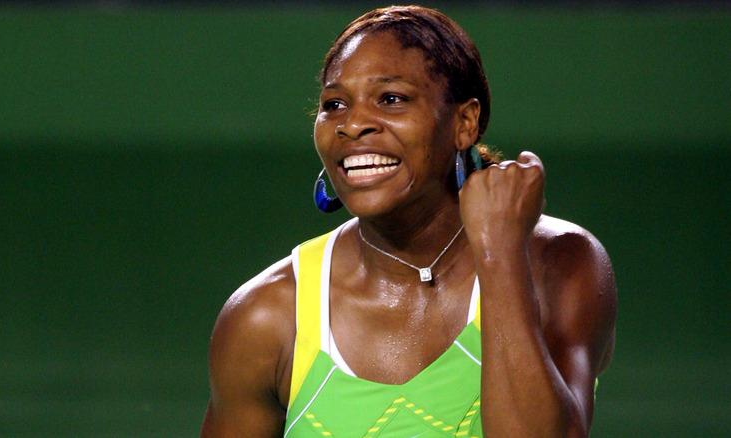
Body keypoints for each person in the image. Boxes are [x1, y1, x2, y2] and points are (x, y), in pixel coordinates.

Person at [200, 5, 616, 438]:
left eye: (392, 99)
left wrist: (497, 252)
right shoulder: (265, 316)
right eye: (334, 104)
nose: (353, 124)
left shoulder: (561, 261)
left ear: (465, 122)